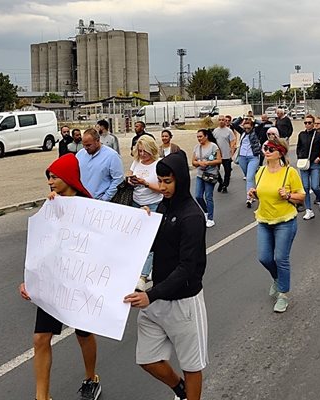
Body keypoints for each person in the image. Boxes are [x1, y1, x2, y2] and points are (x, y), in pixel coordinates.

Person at [124, 151, 208, 400]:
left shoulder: (192, 217)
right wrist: (144, 225)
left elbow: (188, 268)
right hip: (157, 300)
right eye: (159, 181)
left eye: (167, 181)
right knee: (147, 360)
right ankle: (181, 390)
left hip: (184, 303)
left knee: (192, 365)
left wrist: (151, 294)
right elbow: (155, 245)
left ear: (181, 179)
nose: (162, 187)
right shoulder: (163, 206)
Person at [19, 153, 101, 400]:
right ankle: (41, 396)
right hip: (53, 284)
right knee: (41, 338)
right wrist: (29, 280)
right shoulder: (50, 206)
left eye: (54, 177)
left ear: (68, 177)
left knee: (83, 333)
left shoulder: (90, 207)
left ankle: (91, 378)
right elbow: (41, 248)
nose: (50, 182)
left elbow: (106, 242)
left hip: (79, 283)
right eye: (49, 177)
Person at [248, 137, 305, 312]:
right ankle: (277, 279)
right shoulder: (261, 172)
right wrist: (254, 194)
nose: (266, 151)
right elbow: (263, 194)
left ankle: (283, 295)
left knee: (281, 258)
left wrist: (288, 195)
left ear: (280, 152)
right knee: (264, 258)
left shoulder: (290, 172)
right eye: (265, 147)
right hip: (264, 220)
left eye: (270, 149)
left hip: (285, 221)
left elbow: (301, 196)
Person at [127, 136, 163, 291]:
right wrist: (131, 180)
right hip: (136, 203)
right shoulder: (136, 162)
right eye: (140, 151)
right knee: (136, 240)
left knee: (149, 241)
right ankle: (138, 269)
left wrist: (145, 183)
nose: (142, 154)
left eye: (145, 152)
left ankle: (142, 276)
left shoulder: (158, 164)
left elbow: (162, 187)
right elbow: (129, 173)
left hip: (153, 204)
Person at [76, 128, 124, 201]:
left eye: (88, 145)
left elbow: (118, 179)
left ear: (97, 141)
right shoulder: (80, 154)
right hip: (82, 200)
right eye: (84, 145)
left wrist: (106, 197)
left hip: (100, 203)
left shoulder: (112, 156)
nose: (86, 148)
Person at [296, 115, 320, 220]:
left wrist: (319, 158)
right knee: (305, 187)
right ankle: (309, 210)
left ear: (313, 124)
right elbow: (298, 147)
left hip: (315, 164)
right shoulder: (301, 135)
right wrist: (299, 157)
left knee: (315, 186)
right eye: (305, 123)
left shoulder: (318, 136)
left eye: (309, 122)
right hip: (304, 164)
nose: (307, 124)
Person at [192, 129, 221, 228]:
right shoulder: (197, 148)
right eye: (197, 137)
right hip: (200, 174)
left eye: (200, 136)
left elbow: (219, 160)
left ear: (206, 136)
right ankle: (205, 211)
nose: (199, 139)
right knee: (198, 196)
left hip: (210, 174)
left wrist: (207, 163)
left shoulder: (213, 147)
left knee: (208, 196)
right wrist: (199, 163)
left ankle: (210, 218)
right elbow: (193, 162)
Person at [231, 117, 262, 208]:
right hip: (242, 157)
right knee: (249, 176)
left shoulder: (255, 132)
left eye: (249, 128)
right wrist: (241, 118)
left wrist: (253, 119)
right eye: (245, 128)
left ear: (252, 127)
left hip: (253, 157)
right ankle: (253, 191)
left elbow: (261, 124)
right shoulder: (243, 133)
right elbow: (234, 124)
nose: (247, 130)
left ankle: (249, 198)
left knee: (249, 178)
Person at [212, 115, 236, 193]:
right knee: (215, 171)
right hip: (217, 155)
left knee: (227, 171)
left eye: (223, 120)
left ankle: (225, 185)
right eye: (220, 120)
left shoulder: (229, 131)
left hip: (226, 155)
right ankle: (220, 182)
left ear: (225, 121)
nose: (221, 121)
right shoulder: (215, 131)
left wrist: (232, 152)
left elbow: (232, 142)